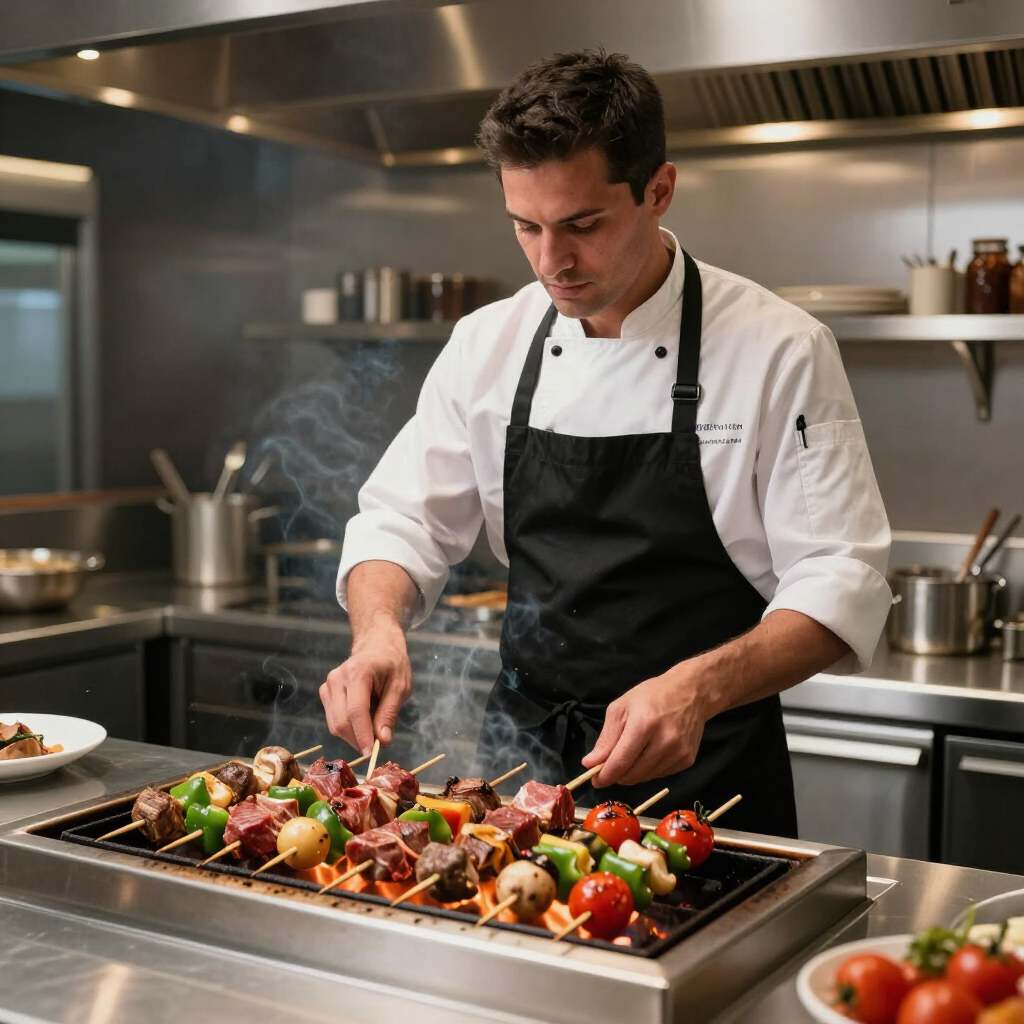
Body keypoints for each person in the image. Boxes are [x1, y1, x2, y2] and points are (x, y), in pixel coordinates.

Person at [320, 49, 891, 836]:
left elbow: (842, 578)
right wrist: (377, 630)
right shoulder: (490, 342)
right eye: (526, 226)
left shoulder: (779, 348)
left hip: (708, 778)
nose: (551, 262)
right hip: (521, 770)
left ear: (658, 190)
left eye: (582, 225)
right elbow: (402, 522)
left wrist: (698, 687)